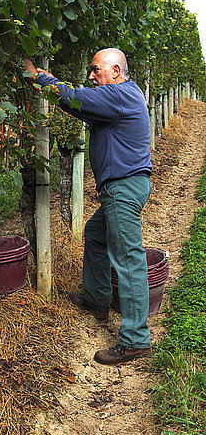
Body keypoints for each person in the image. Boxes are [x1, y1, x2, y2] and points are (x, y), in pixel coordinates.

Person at [24, 49, 152, 366]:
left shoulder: (120, 94)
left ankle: (136, 340)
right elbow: (80, 107)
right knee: (95, 234)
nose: (91, 75)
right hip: (120, 186)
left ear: (116, 71)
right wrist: (52, 89)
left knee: (128, 258)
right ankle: (97, 299)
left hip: (123, 187)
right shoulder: (118, 96)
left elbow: (77, 98)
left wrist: (42, 78)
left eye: (96, 70)